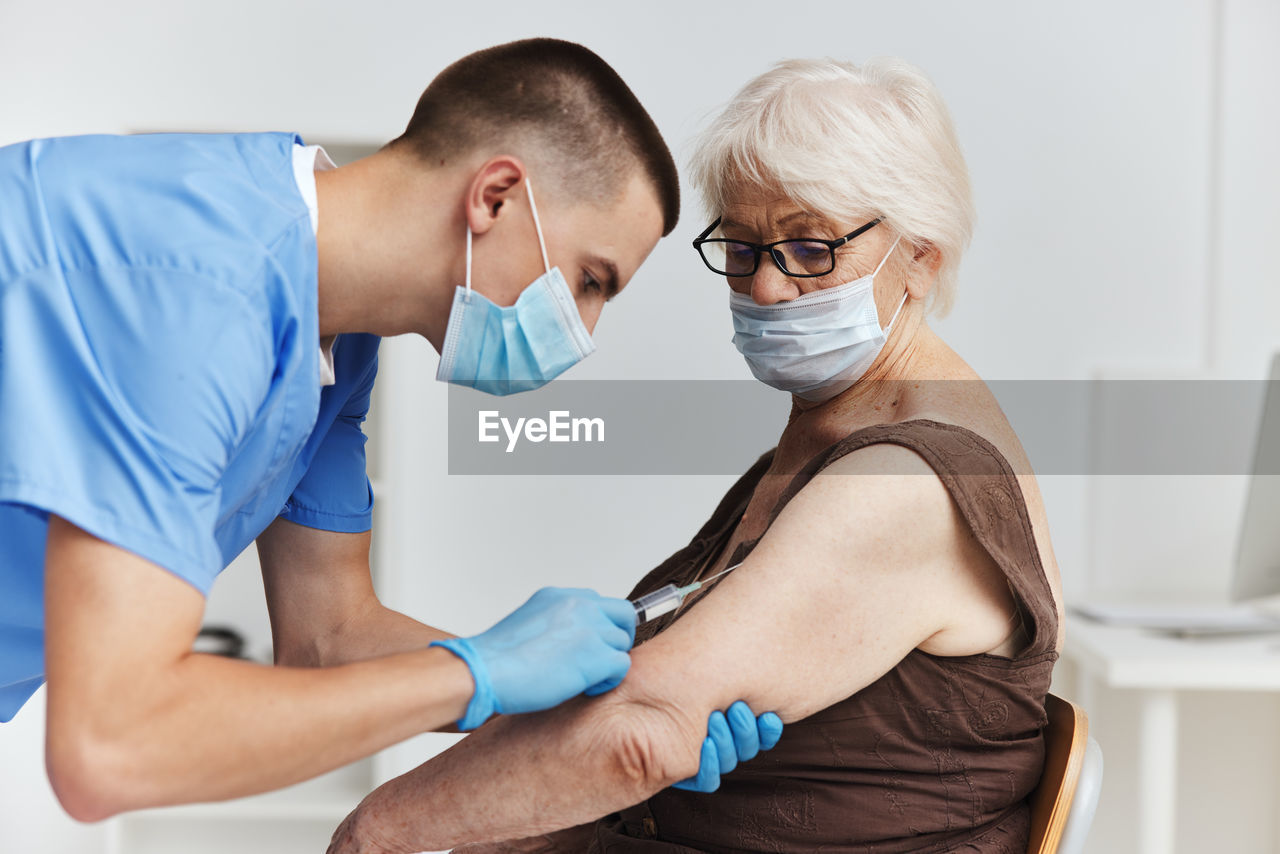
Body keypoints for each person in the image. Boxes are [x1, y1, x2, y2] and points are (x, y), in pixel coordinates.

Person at [0, 38, 779, 822]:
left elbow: (328, 636)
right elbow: (113, 745)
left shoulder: (334, 336)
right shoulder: (201, 296)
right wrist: (482, 671)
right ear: (496, 195)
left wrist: (610, 714)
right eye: (588, 281)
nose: (583, 329)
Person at [326, 56, 1066, 854]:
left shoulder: (904, 484)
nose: (768, 289)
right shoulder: (829, 432)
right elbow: (645, 708)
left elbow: (644, 727)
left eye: (811, 249)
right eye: (742, 249)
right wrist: (509, 682)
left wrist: (378, 831)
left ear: (921, 255)